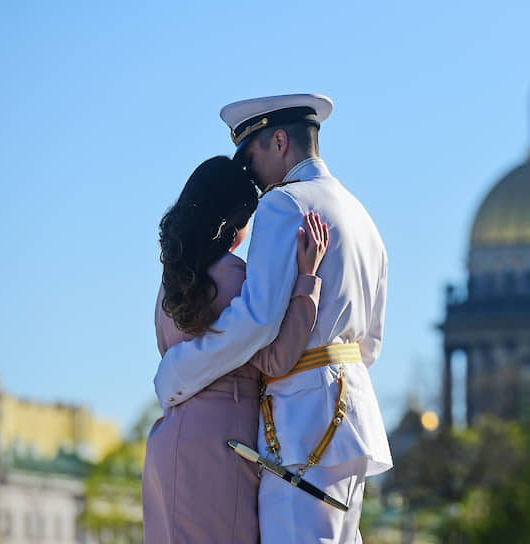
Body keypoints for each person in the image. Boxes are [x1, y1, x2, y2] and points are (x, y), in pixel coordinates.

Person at [153, 94, 391, 543]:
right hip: (354, 420)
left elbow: (257, 321)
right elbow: (371, 344)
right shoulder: (362, 216)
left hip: (302, 426)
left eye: (250, 155)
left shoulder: (285, 204)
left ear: (279, 141)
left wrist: (180, 371)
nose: (250, 174)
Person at [142, 155, 330, 543]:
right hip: (221, 446)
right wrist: (307, 281)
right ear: (237, 225)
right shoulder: (235, 278)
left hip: (169, 441)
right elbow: (275, 358)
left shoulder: (170, 282)